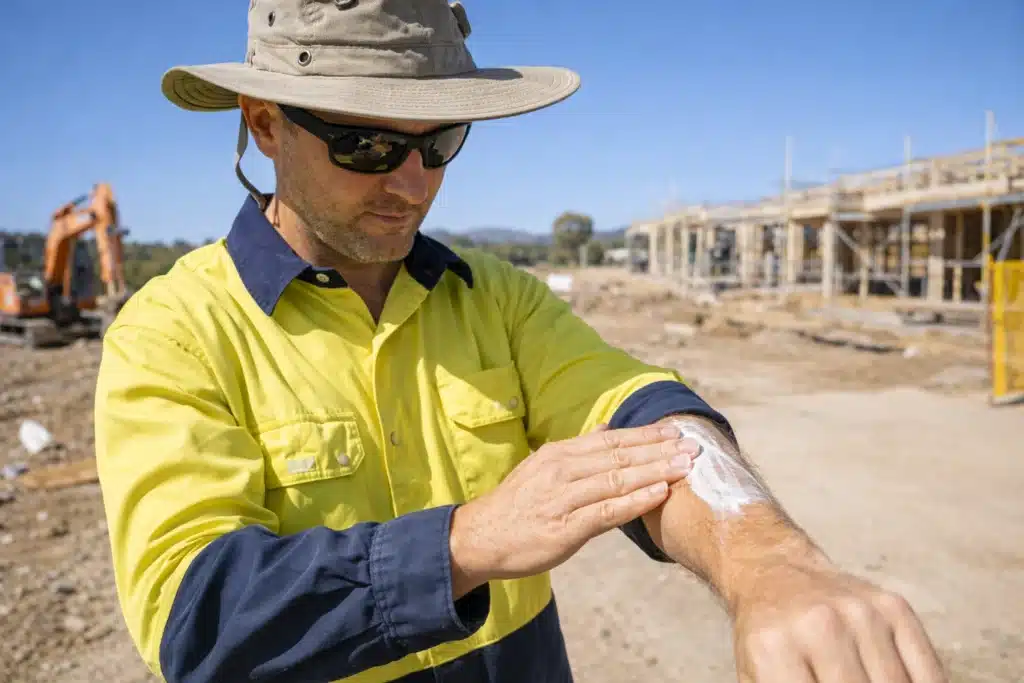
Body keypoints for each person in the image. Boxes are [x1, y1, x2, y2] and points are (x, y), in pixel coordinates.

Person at [93, 2, 948, 682]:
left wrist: (770, 564)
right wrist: (463, 544)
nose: (413, 183)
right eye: (367, 143)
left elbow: (645, 414)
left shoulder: (495, 298)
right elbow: (193, 617)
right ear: (265, 123)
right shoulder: (174, 333)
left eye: (440, 142)